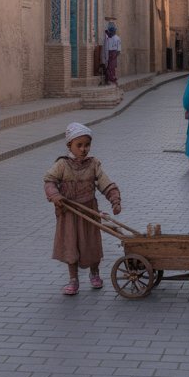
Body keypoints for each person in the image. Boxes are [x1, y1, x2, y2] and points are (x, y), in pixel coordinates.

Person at [44, 123, 122, 295]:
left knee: (92, 244)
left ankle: (95, 273)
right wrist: (56, 196)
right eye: (79, 145)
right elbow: (49, 181)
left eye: (87, 145)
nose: (83, 149)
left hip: (89, 210)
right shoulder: (62, 165)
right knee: (70, 244)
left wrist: (114, 199)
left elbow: (105, 182)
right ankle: (73, 279)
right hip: (69, 212)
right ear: (69, 145)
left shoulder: (93, 164)